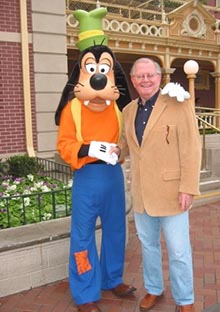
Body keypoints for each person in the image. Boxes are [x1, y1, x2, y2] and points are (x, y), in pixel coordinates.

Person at [55, 8, 136, 312]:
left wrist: (120, 150)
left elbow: (127, 140)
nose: (99, 76)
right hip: (87, 178)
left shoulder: (118, 109)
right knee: (83, 236)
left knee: (116, 229)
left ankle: (112, 278)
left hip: (113, 176)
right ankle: (85, 293)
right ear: (80, 73)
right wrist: (86, 149)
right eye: (92, 68)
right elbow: (64, 145)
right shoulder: (72, 109)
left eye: (105, 68)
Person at [118, 58, 201, 312]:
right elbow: (125, 143)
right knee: (149, 247)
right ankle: (154, 289)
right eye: (140, 76)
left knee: (178, 251)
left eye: (150, 75)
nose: (145, 80)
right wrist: (113, 151)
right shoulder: (128, 111)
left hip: (172, 193)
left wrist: (188, 186)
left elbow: (191, 148)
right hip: (143, 193)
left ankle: (185, 300)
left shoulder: (178, 103)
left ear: (159, 77)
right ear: (133, 80)